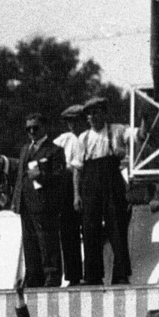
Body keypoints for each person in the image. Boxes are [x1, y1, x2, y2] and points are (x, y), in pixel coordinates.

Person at [73, 95, 133, 285]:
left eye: (95, 113)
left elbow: (137, 135)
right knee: (90, 228)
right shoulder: (83, 138)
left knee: (117, 225)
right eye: (89, 114)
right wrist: (76, 195)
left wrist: (144, 122)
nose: (92, 117)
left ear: (104, 114)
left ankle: (121, 274)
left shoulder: (116, 130)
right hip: (90, 182)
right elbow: (77, 169)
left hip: (111, 179)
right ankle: (92, 275)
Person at [14, 113, 70, 287]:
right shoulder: (25, 149)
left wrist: (41, 176)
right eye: (28, 129)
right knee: (29, 242)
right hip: (26, 203)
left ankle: (52, 275)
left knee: (47, 242)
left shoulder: (55, 150)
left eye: (35, 128)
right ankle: (34, 276)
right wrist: (16, 200)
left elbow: (60, 177)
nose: (32, 131)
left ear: (44, 127)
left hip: (44, 204)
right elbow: (20, 177)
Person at [51, 104, 90, 284]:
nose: (72, 125)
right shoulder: (64, 139)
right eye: (69, 122)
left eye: (76, 121)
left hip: (88, 183)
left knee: (90, 232)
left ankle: (91, 274)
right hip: (67, 187)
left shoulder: (88, 137)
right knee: (68, 232)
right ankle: (73, 275)